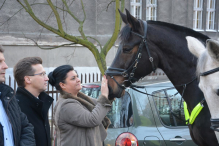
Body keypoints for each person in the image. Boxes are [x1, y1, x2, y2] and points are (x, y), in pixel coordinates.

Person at [48, 65, 112, 146]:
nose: (78, 80)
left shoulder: (80, 99)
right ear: (62, 85)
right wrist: (104, 96)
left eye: (77, 76)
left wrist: (111, 92)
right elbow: (93, 119)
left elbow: (100, 107)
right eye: (73, 78)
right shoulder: (66, 105)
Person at [13, 57, 54, 146]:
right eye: (42, 74)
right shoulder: (16, 107)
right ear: (28, 79)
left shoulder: (41, 102)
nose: (47, 78)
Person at [0, 46, 35, 146]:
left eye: (4, 61)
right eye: (0, 62)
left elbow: (26, 127)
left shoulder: (8, 97)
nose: (6, 66)